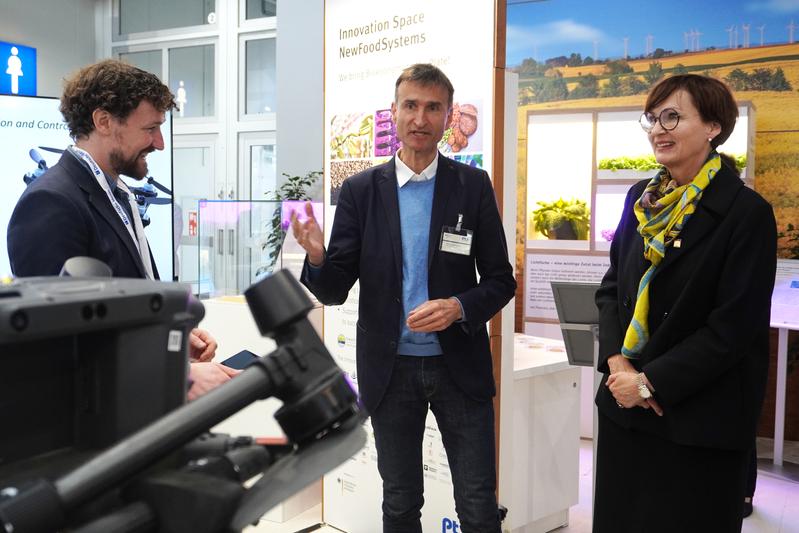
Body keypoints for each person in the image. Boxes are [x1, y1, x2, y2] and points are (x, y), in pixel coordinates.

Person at [291, 63, 515, 533]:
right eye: (410, 105)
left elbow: (500, 279)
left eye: (433, 107)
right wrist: (315, 256)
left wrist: (458, 307)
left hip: (459, 369)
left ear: (448, 116)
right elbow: (333, 289)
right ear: (393, 112)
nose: (420, 117)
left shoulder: (471, 186)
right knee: (399, 501)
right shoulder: (360, 191)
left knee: (477, 502)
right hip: (389, 372)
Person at [593, 74, 776, 533]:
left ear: (714, 126)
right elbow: (611, 289)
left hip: (698, 419)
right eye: (652, 118)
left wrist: (651, 382)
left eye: (672, 116)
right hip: (627, 410)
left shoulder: (746, 213)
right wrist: (618, 364)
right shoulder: (642, 199)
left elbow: (734, 328)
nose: (659, 129)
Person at [6, 59, 237, 399]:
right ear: (103, 121)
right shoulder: (52, 202)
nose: (159, 143)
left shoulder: (117, 194)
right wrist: (178, 375)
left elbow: (114, 310)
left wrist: (168, 336)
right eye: (150, 129)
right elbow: (61, 345)